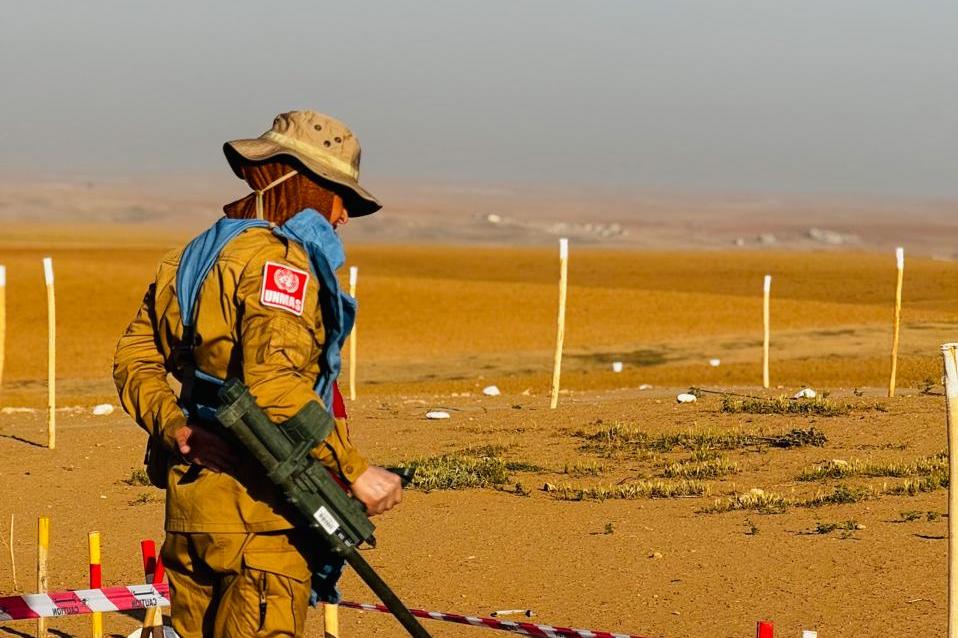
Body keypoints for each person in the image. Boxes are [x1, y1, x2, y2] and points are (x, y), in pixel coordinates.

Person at [113, 110, 402, 638]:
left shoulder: (185, 258)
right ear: (305, 184)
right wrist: (358, 470)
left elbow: (134, 356)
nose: (341, 218)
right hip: (262, 518)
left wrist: (175, 427)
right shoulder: (280, 264)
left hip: (192, 515)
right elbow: (274, 385)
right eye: (341, 199)